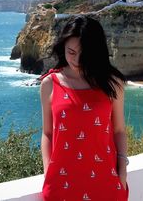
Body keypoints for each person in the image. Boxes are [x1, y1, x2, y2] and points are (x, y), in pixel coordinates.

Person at [40, 16, 129, 200]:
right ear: (63, 47)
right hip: (61, 185)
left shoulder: (113, 83)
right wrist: (48, 171)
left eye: (85, 54)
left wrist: (122, 171)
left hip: (106, 181)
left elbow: (119, 130)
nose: (77, 60)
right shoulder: (50, 84)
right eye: (71, 52)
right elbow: (47, 133)